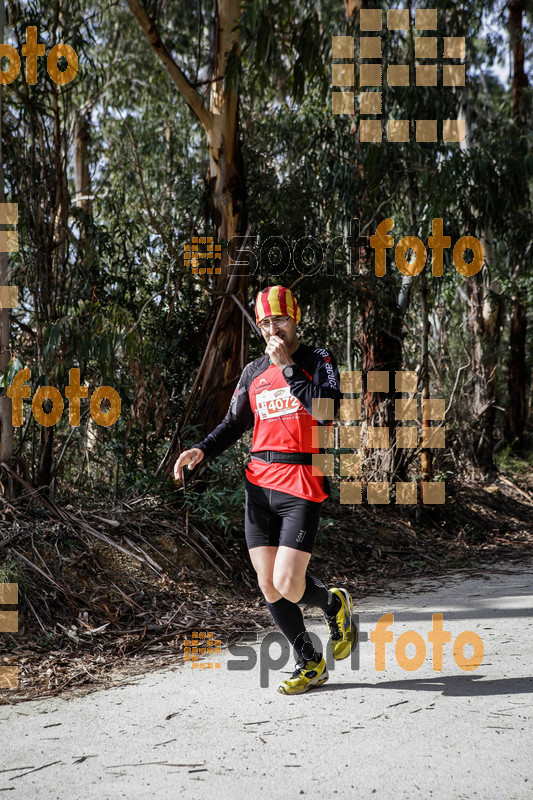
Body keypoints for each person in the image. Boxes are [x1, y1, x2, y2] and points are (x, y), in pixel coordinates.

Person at [174, 285, 356, 694]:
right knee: (268, 584)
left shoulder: (317, 359)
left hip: (302, 484)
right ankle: (309, 661)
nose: (273, 328)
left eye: (280, 319)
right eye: (266, 322)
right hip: (259, 486)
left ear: (296, 319)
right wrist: (201, 450)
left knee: (291, 583)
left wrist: (289, 368)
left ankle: (333, 604)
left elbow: (327, 413)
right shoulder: (253, 372)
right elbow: (234, 423)